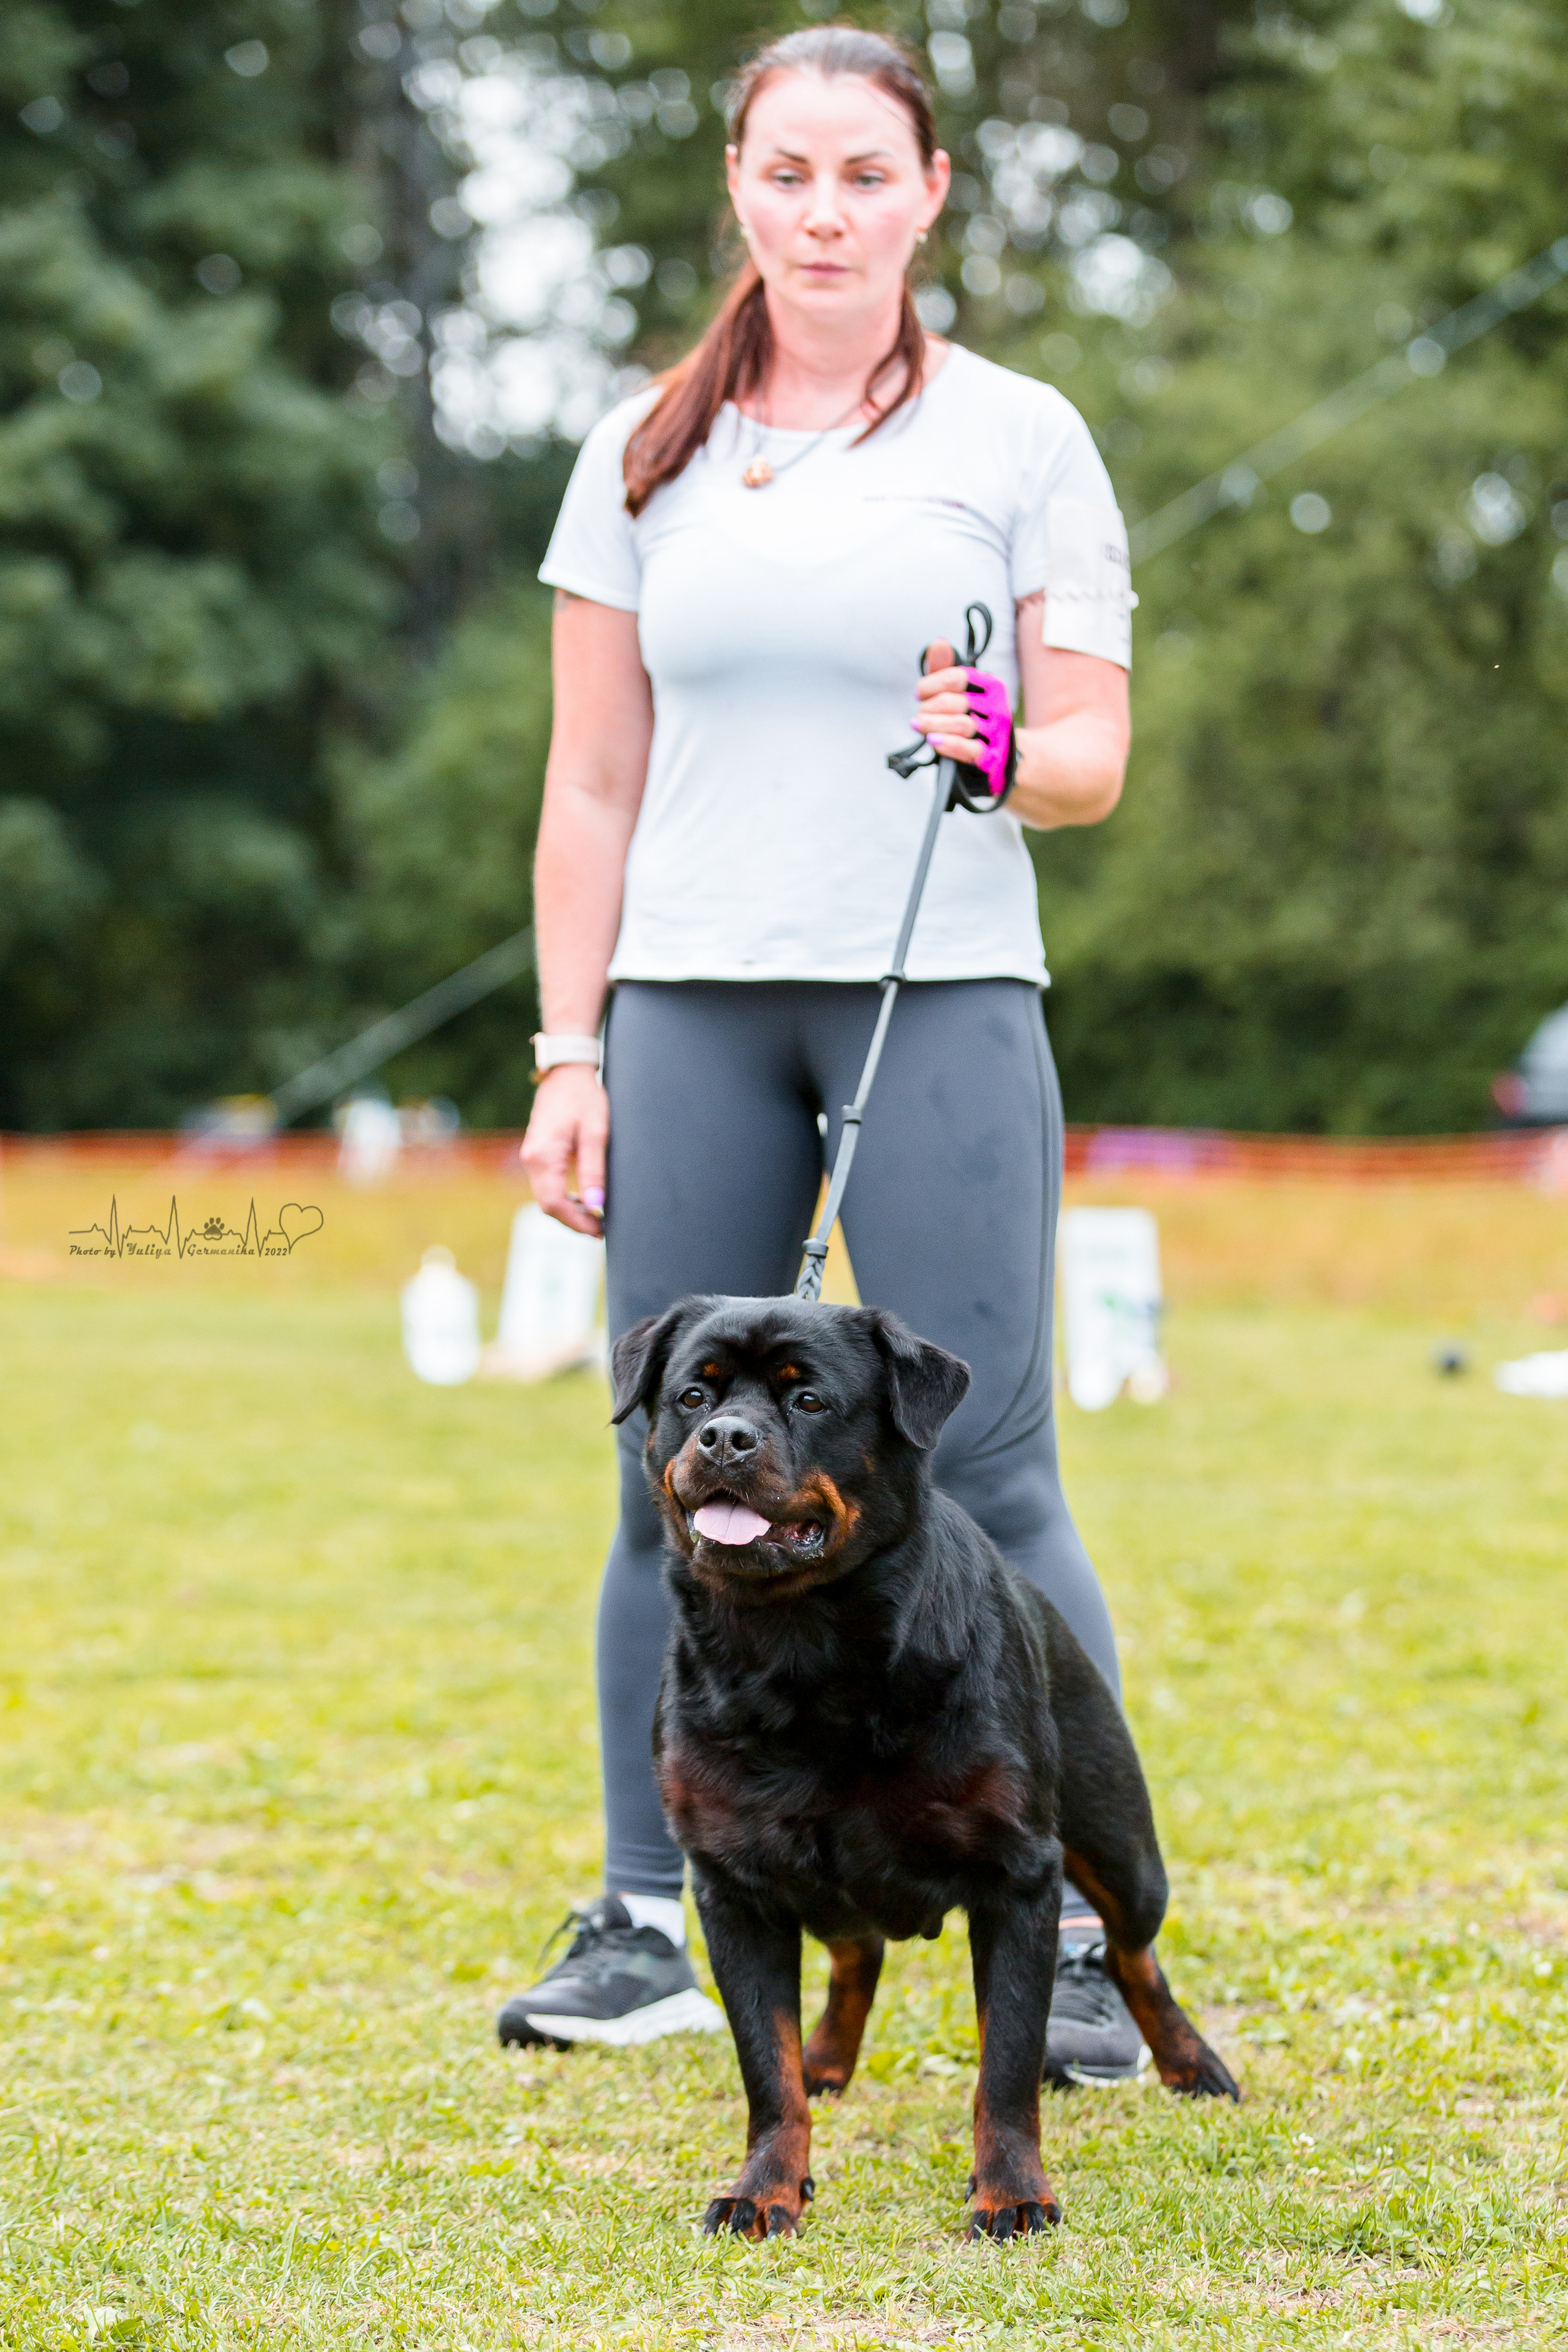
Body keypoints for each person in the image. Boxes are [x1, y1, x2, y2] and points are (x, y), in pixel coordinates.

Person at [498, 24, 1143, 2084]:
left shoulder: (1020, 433)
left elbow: (1092, 761)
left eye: (867, 174)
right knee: (666, 1477)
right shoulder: (642, 454)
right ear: (740, 185)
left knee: (995, 1468)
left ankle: (1040, 1937)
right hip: (686, 1006)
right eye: (791, 173)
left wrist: (1006, 752)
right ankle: (643, 1914)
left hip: (938, 992)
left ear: (930, 192)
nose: (827, 210)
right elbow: (591, 783)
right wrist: (566, 1050)